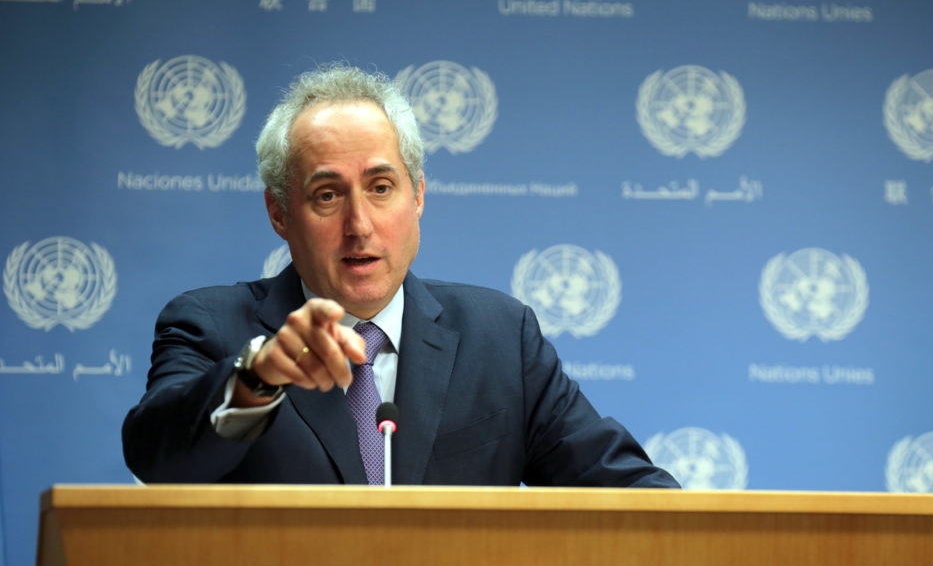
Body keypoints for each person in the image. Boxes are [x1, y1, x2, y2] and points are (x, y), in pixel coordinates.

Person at [122, 64, 679, 488]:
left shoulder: (500, 338)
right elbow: (159, 460)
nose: (359, 225)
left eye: (381, 187)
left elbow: (624, 489)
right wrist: (259, 378)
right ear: (279, 214)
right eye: (326, 195)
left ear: (418, 197)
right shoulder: (210, 325)